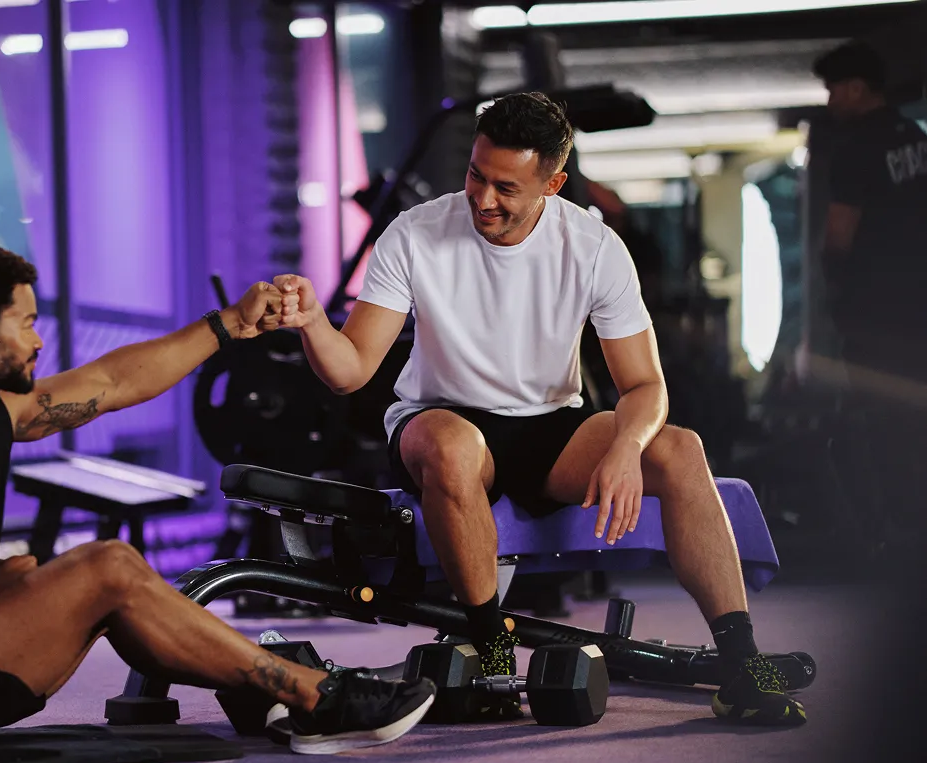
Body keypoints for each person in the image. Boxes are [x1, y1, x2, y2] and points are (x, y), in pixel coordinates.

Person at [274, 92, 806, 726]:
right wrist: (311, 323)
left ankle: (742, 663)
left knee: (680, 447)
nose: (484, 198)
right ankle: (493, 649)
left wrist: (627, 449)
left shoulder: (593, 246)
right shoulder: (415, 234)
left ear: (553, 183)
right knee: (447, 446)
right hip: (443, 416)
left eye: (506, 186)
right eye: (476, 174)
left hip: (552, 427)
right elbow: (351, 370)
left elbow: (645, 386)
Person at [0, 242, 434, 756]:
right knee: (106, 567)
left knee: (113, 571)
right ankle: (315, 697)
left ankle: (274, 688)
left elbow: (109, 383)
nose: (38, 341)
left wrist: (230, 326)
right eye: (27, 324)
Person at [813, 41, 927, 561]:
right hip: (917, 304)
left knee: (882, 420)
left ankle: (898, 526)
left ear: (857, 87)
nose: (831, 99)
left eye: (834, 88)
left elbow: (840, 234)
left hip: (875, 312)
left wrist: (831, 289)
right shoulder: (915, 138)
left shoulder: (856, 147)